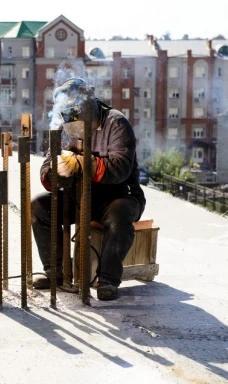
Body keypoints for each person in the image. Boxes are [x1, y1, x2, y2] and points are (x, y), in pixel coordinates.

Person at [31, 78, 146, 300]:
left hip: (118, 196)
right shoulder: (65, 126)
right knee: (39, 206)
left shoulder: (116, 123)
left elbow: (120, 169)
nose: (72, 118)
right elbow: (46, 169)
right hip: (80, 197)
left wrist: (85, 163)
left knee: (118, 214)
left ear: (88, 101)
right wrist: (58, 172)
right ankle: (56, 273)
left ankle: (108, 279)